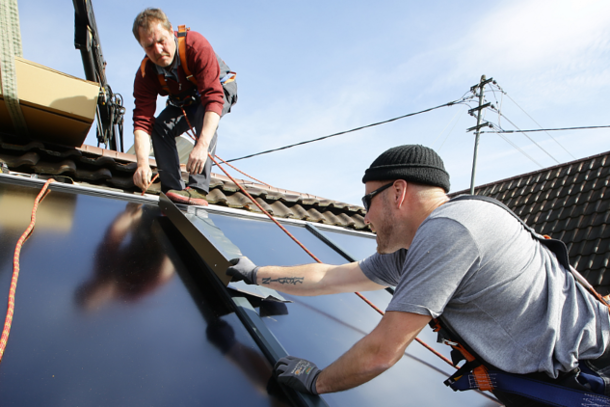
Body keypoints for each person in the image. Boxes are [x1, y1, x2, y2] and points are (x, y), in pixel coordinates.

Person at [226, 144, 610, 406]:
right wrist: (256, 274)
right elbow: (331, 277)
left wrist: (317, 380)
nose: (365, 217)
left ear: (398, 192)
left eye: (367, 201)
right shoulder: (414, 249)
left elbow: (381, 352)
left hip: (589, 383)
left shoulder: (450, 230)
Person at [131, 8, 237, 205]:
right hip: (185, 101)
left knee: (202, 113)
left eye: (161, 41)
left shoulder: (195, 45)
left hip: (218, 90)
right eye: (149, 46)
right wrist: (143, 164)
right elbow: (142, 122)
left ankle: (198, 189)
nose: (158, 50)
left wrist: (201, 145)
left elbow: (213, 98)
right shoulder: (146, 74)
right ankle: (172, 189)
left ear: (171, 30)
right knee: (160, 126)